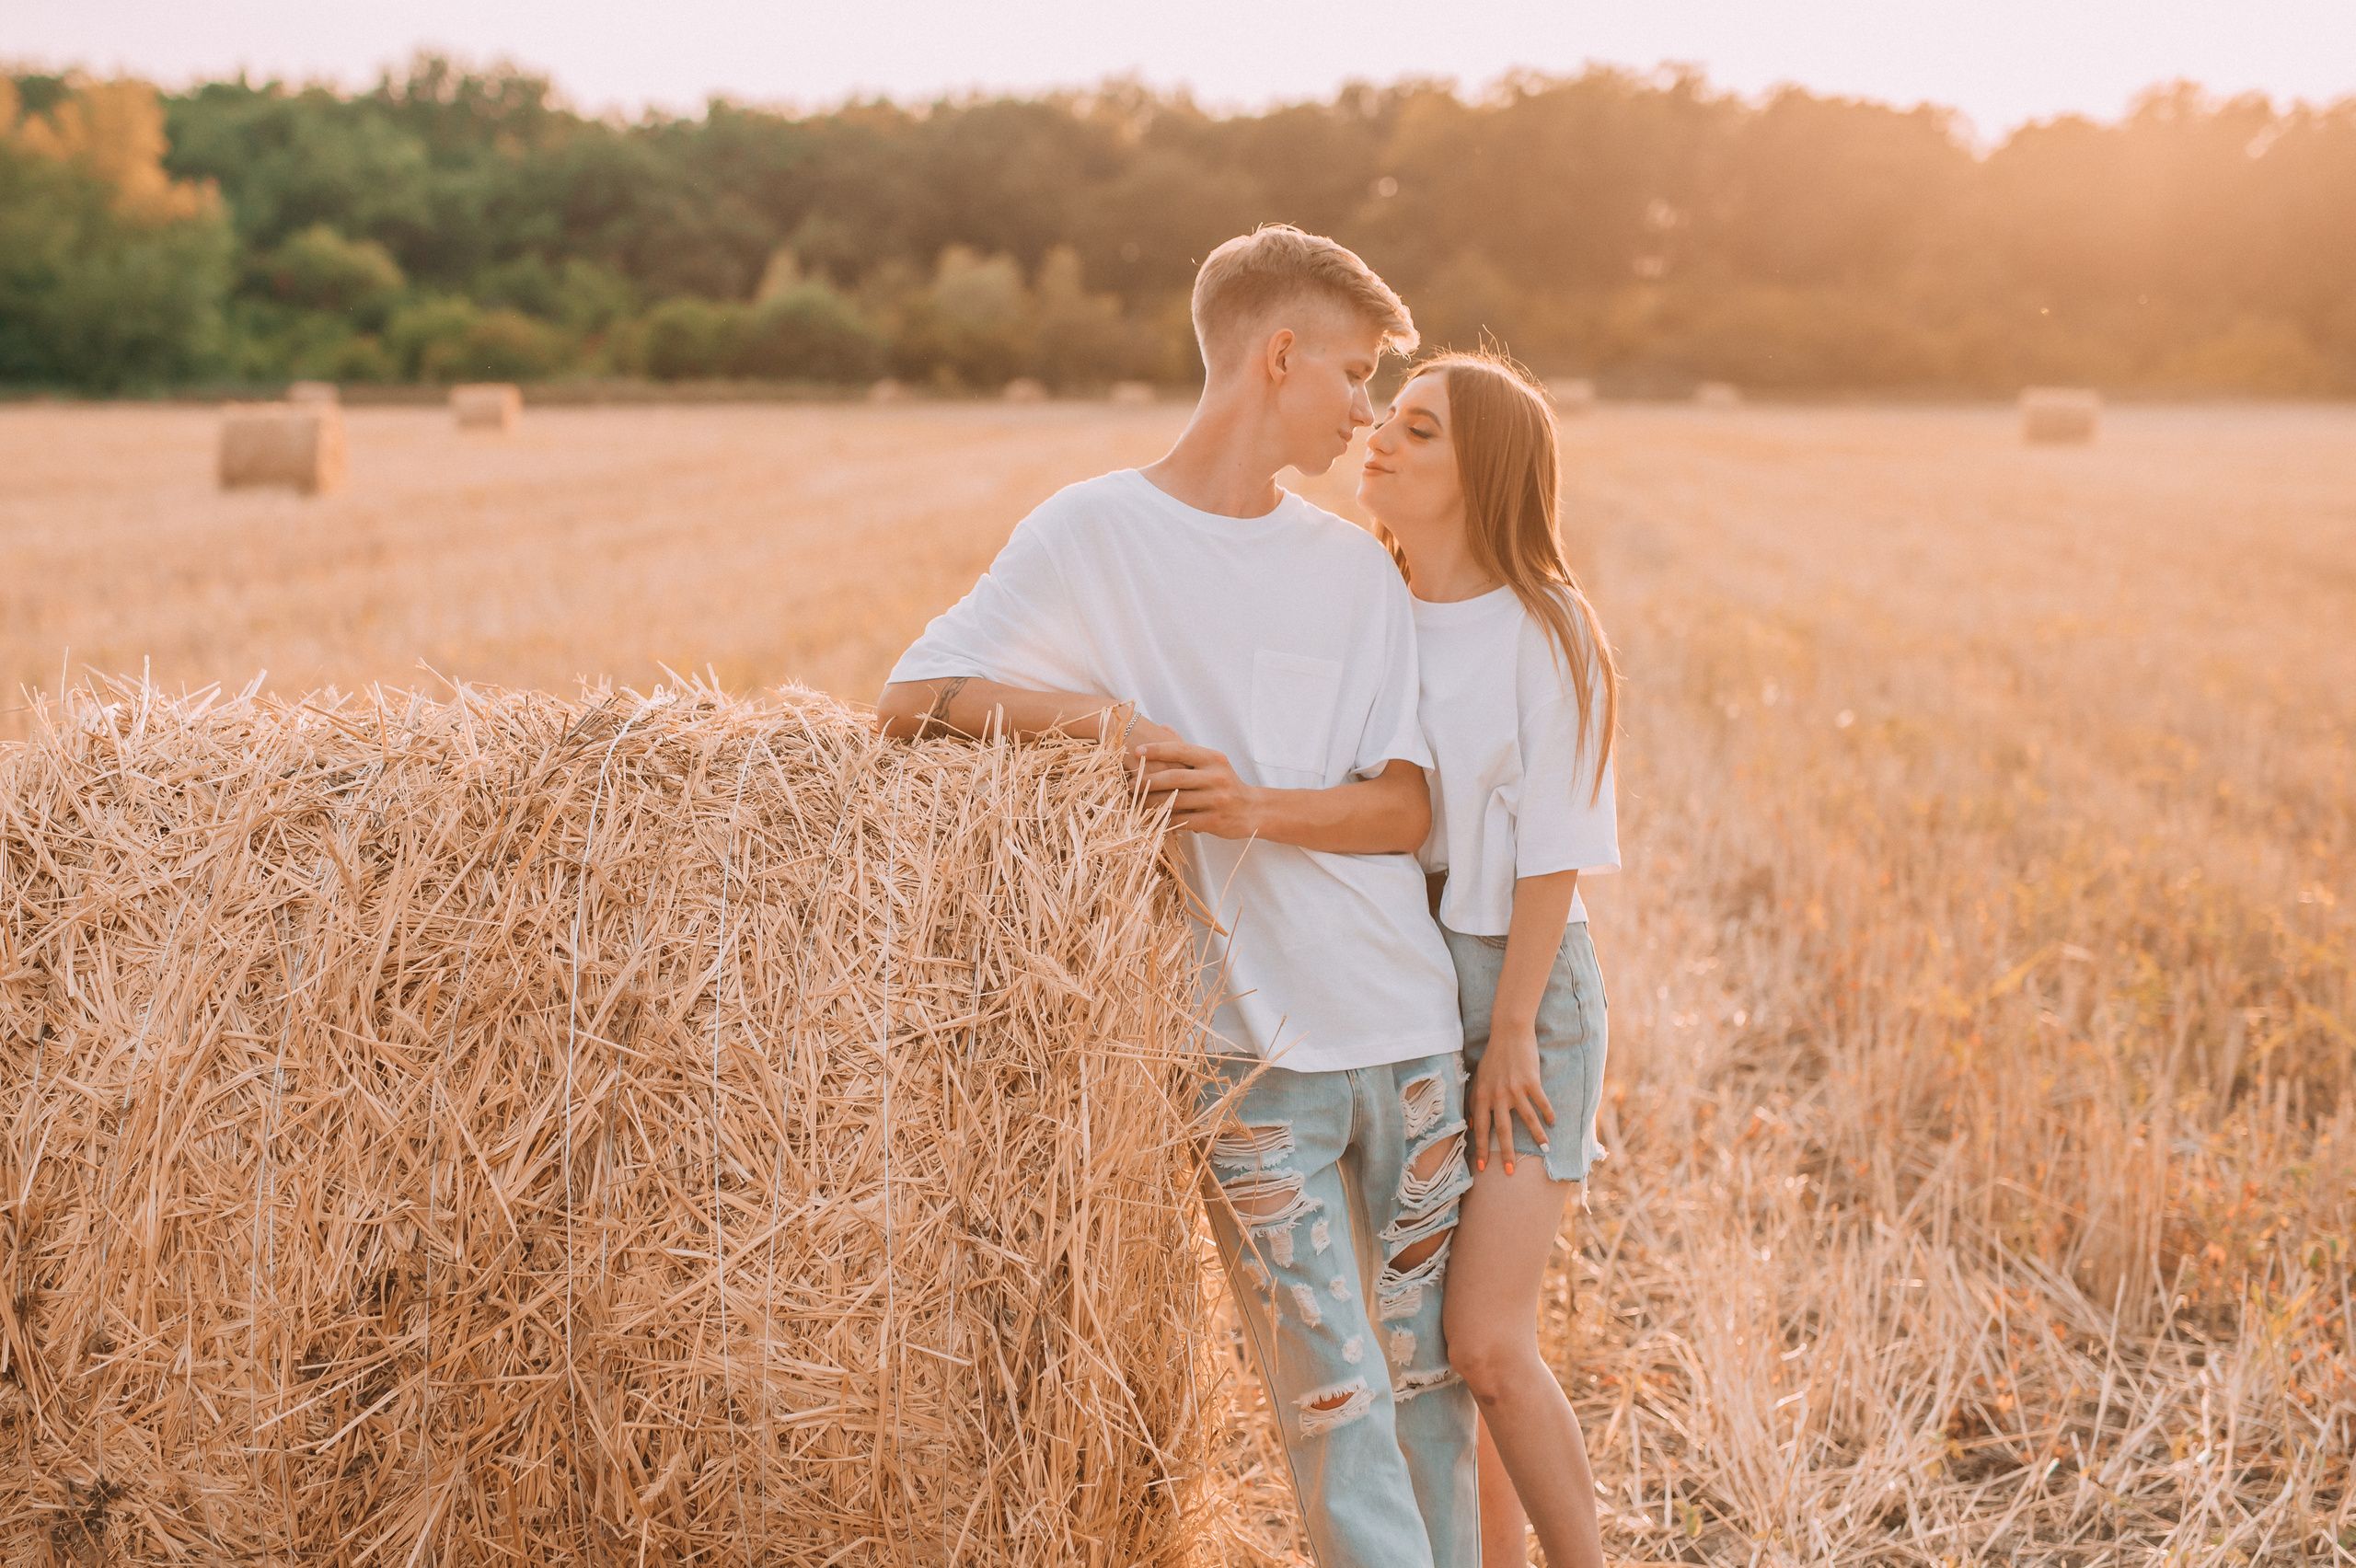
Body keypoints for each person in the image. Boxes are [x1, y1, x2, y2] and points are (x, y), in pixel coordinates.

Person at [875, 226, 1479, 1567]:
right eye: (1355, 373)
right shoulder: (1092, 533)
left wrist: (1249, 806)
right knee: (1333, 1409)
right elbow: (914, 702)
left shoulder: (1351, 567)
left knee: (1434, 1393)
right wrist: (1105, 726)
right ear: (1278, 356)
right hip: (1249, 1060)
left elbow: (1405, 807)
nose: (1368, 411)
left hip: (1410, 1037)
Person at [1357, 352, 1620, 1568]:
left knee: (1489, 1342)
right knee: (1434, 1354)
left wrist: (1509, 1029)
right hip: (1402, 992)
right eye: (1388, 419)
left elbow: (1557, 846)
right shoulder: (1370, 604)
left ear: (1482, 473)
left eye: (1419, 430)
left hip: (1521, 993)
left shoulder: (1547, 624)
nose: (1381, 439)